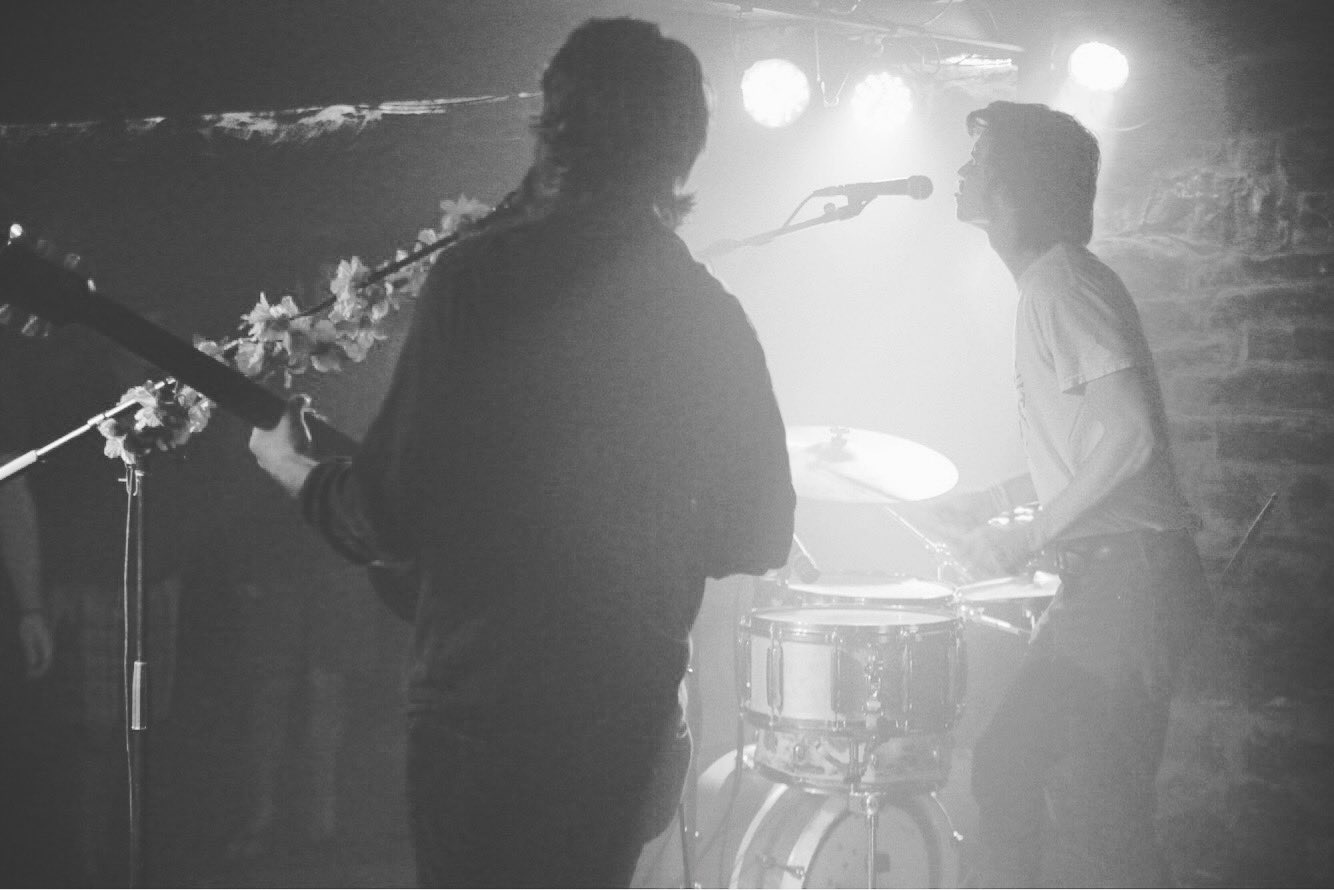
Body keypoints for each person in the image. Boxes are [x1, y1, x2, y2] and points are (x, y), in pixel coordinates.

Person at [248, 16, 795, 887]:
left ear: (554, 125)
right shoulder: (708, 314)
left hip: (486, 712)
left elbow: (388, 513)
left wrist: (296, 473)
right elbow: (759, 530)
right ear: (684, 149)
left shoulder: (479, 283)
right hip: (624, 712)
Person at [942, 100, 1212, 887]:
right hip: (1109, 583)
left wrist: (1025, 536)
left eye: (979, 161)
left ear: (1011, 188)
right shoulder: (1051, 284)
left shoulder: (1061, 283)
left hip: (1129, 584)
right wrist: (995, 500)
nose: (962, 171)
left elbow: (1131, 436)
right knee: (1008, 764)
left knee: (1102, 815)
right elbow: (1094, 445)